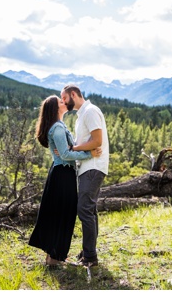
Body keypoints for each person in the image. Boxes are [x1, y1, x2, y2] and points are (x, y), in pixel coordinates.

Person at [29, 95, 101, 266]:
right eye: (61, 102)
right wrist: (88, 154)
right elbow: (66, 154)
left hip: (62, 174)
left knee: (59, 214)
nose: (64, 103)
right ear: (55, 108)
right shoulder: (58, 129)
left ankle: (53, 256)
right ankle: (54, 257)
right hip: (63, 175)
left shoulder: (58, 126)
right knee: (63, 214)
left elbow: (67, 151)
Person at [61, 84, 109, 267]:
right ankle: (89, 252)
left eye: (64, 98)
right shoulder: (82, 115)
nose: (64, 103)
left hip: (94, 166)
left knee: (84, 209)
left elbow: (97, 141)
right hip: (87, 167)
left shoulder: (90, 111)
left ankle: (90, 257)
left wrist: (73, 148)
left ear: (74, 94)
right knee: (90, 210)